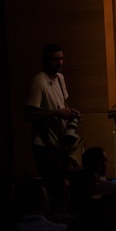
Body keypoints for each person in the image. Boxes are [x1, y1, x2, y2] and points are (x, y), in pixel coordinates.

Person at [26, 43, 81, 173]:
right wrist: (57, 113)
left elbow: (62, 103)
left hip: (59, 142)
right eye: (55, 59)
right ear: (45, 61)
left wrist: (71, 112)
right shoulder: (39, 81)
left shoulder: (60, 78)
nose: (59, 63)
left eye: (61, 59)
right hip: (45, 144)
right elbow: (29, 114)